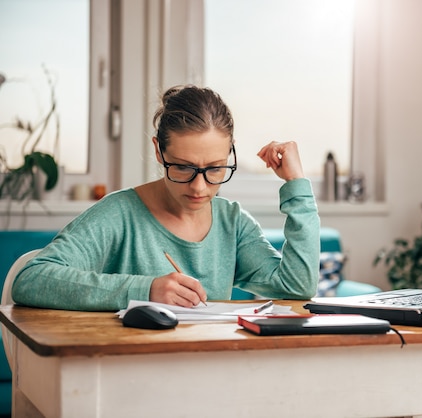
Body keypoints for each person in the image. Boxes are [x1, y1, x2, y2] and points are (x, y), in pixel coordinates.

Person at [12, 85, 320, 311]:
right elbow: (31, 279)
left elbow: (297, 288)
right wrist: (144, 290)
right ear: (159, 151)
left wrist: (297, 184)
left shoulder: (233, 223)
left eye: (215, 169)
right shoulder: (119, 214)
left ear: (230, 152)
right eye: (183, 168)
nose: (199, 188)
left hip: (207, 373)